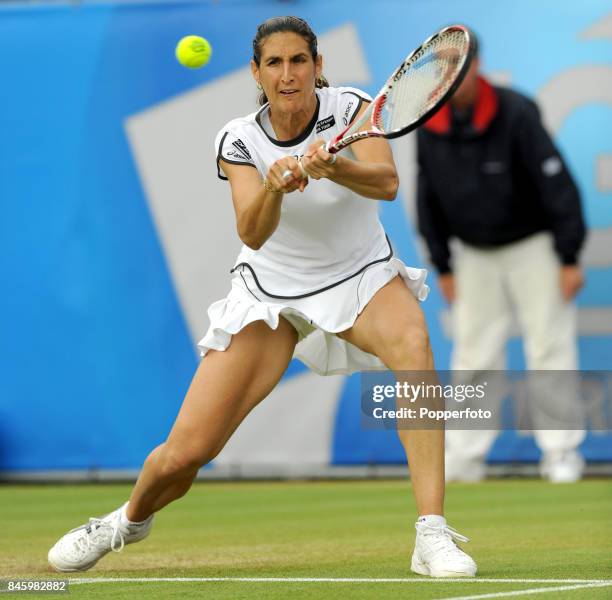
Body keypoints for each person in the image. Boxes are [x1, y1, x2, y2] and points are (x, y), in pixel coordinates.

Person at [48, 16, 476, 578]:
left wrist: (336, 166)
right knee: (184, 455)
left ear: (318, 66)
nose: (288, 74)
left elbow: (387, 183)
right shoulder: (237, 139)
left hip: (360, 276)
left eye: (299, 60)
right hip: (270, 293)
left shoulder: (352, 109)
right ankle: (123, 522)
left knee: (415, 348)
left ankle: (431, 534)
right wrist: (274, 185)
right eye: (274, 63)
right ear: (257, 72)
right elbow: (251, 231)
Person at [416, 33, 586, 483]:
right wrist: (444, 266)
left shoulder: (516, 111)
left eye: (461, 64)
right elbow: (427, 198)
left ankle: (560, 453)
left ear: (477, 66)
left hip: (534, 247)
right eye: (444, 67)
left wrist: (568, 257)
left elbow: (558, 185)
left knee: (549, 345)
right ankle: (467, 457)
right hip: (472, 255)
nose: (453, 75)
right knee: (474, 353)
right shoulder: (429, 123)